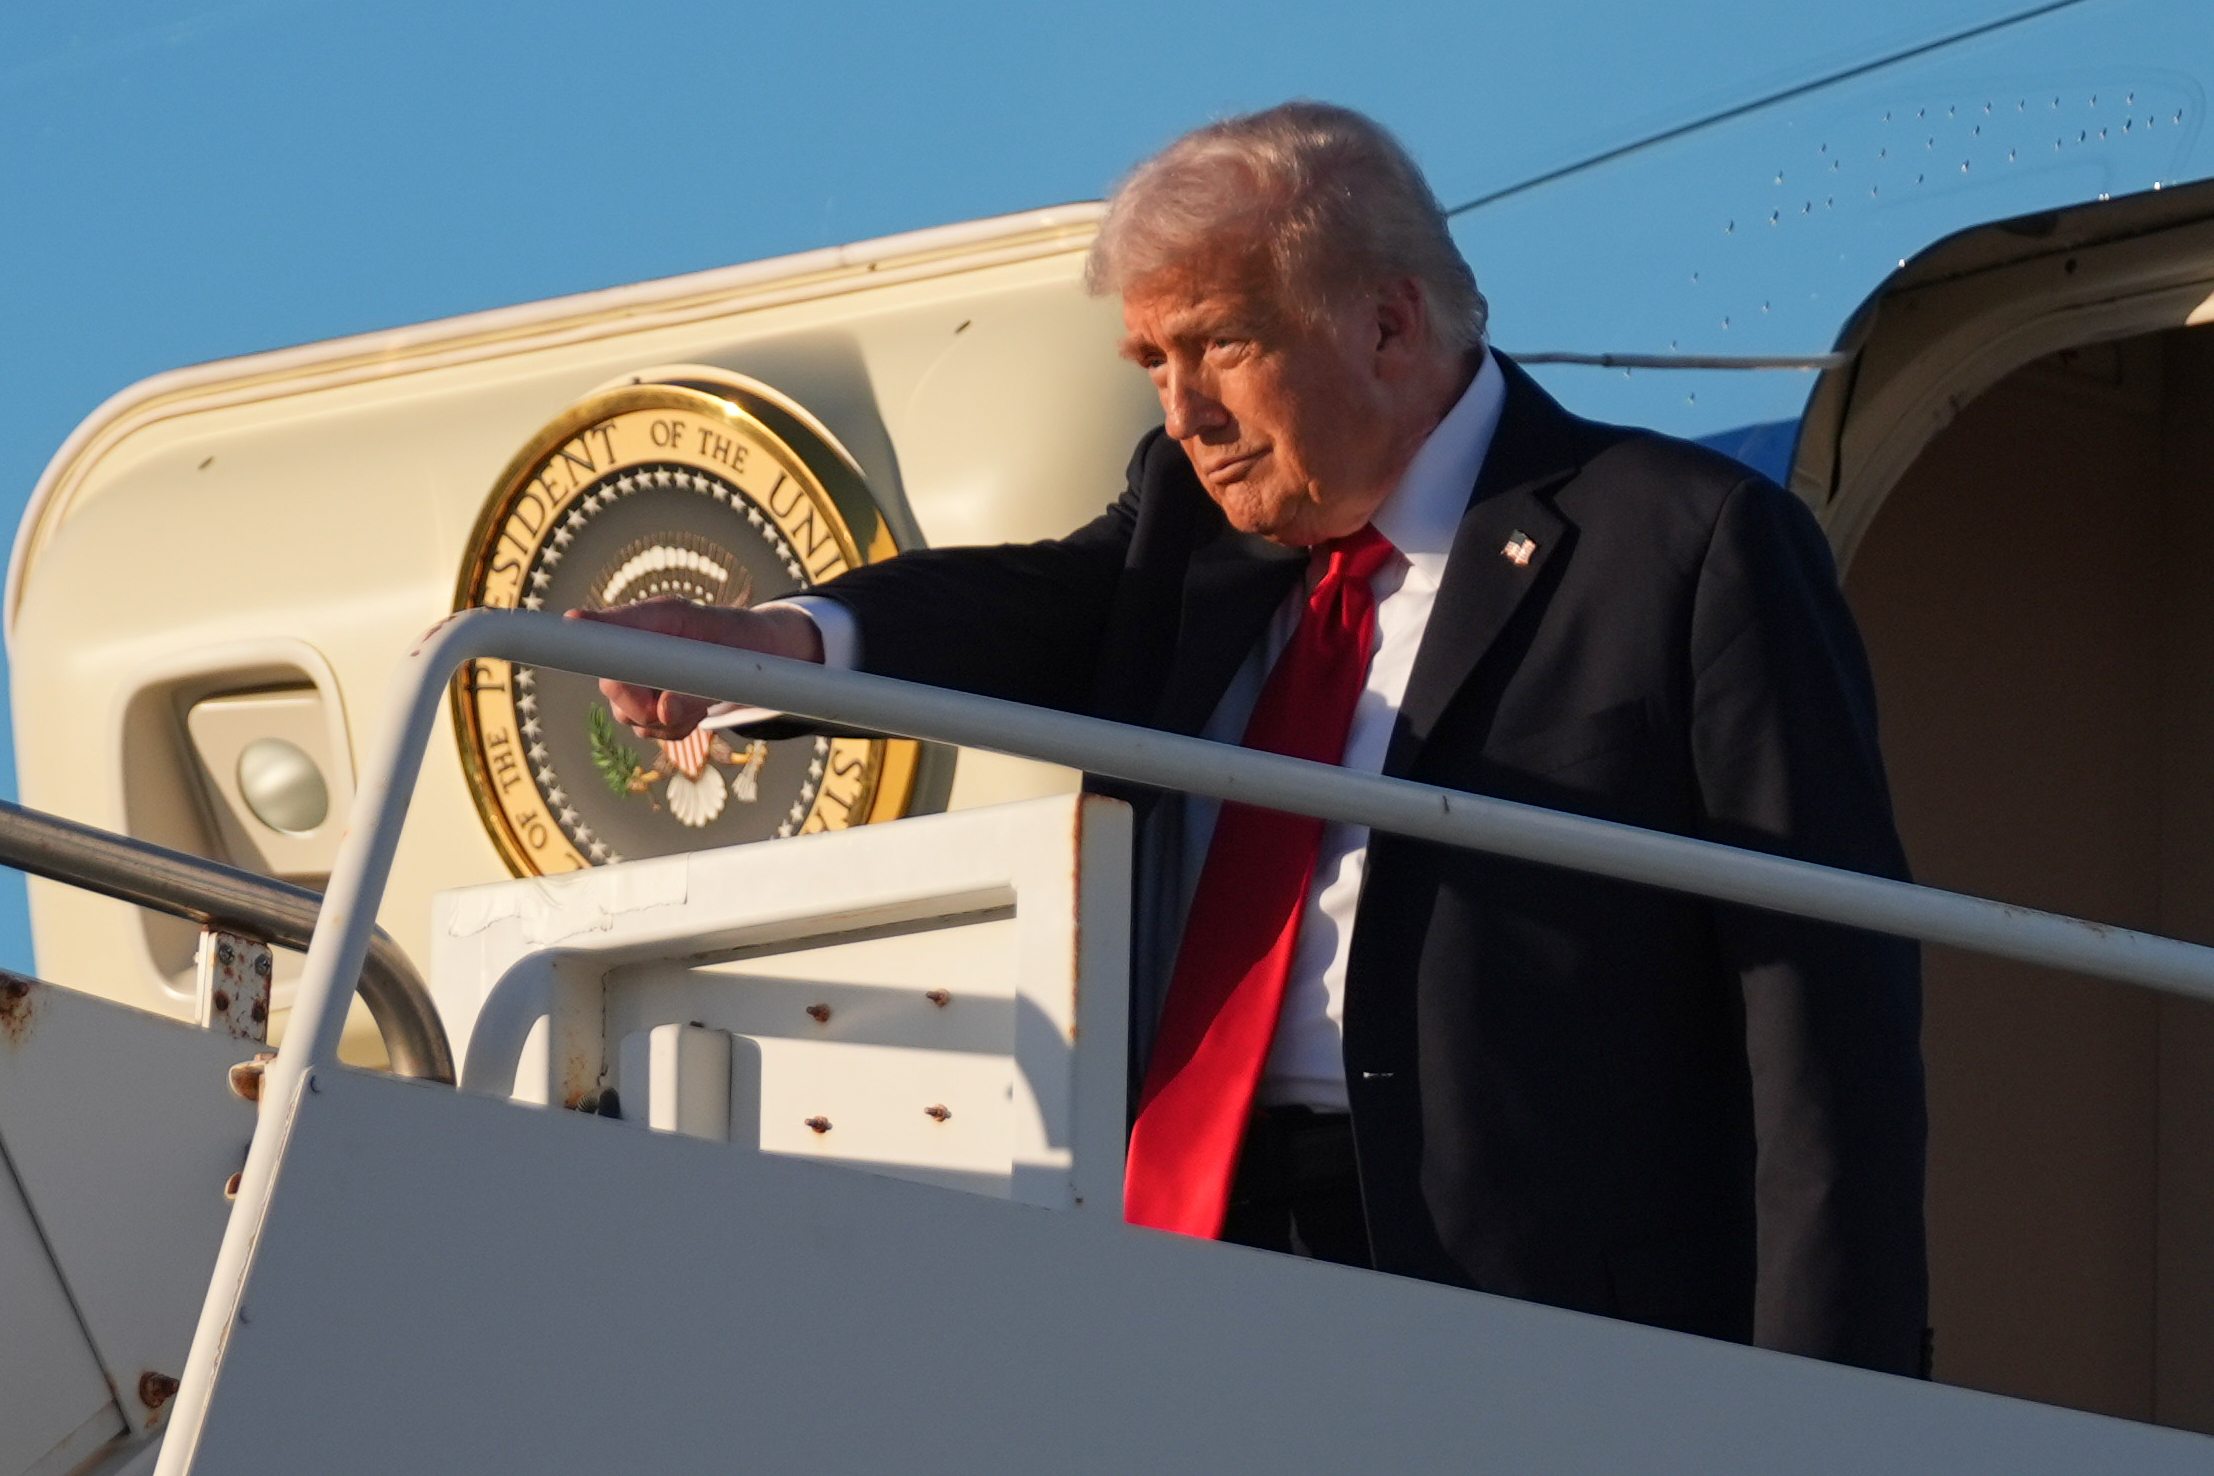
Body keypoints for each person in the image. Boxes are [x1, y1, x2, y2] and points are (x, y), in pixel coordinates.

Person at [575, 101, 1928, 1376]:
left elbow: (1824, 1015)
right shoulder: (1187, 528)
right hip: (1187, 1267)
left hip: (1527, 1307)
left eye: (1217, 343)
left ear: (1389, 324)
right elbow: (1017, 610)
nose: (1182, 410)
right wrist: (776, 644)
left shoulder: (1678, 543)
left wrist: (1842, 1404)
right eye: (1151, 362)